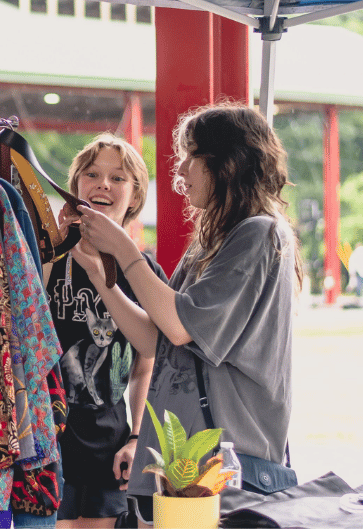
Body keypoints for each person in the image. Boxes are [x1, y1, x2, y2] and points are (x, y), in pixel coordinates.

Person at [71, 102, 301, 525]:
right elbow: (154, 341)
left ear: (226, 162)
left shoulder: (259, 233)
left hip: (227, 461)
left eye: (190, 155)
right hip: (186, 464)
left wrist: (122, 248)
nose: (180, 171)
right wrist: (99, 273)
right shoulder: (209, 243)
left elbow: (177, 326)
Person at [45, 134, 167, 528]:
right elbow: (24, 321)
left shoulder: (143, 273)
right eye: (92, 174)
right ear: (76, 184)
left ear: (134, 197)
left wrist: (137, 437)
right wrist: (55, 246)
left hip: (109, 442)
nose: (103, 184)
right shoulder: (46, 255)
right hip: (47, 435)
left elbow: (145, 365)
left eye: (118, 178)